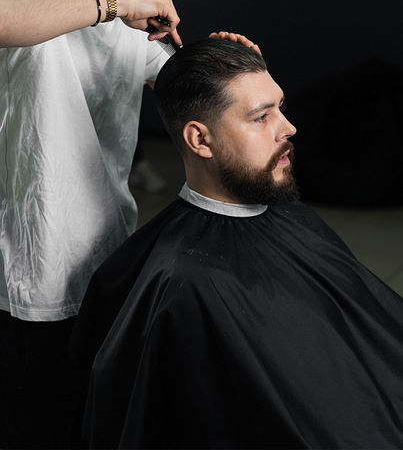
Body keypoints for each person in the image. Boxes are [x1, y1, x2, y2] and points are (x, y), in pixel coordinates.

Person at [0, 0, 256, 449]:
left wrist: (228, 71)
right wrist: (113, 5)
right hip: (25, 286)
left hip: (104, 273)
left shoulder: (134, 6)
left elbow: (182, 92)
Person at [73, 38, 403, 450]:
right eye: (261, 117)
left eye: (280, 108)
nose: (289, 127)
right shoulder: (180, 284)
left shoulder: (293, 216)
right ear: (200, 140)